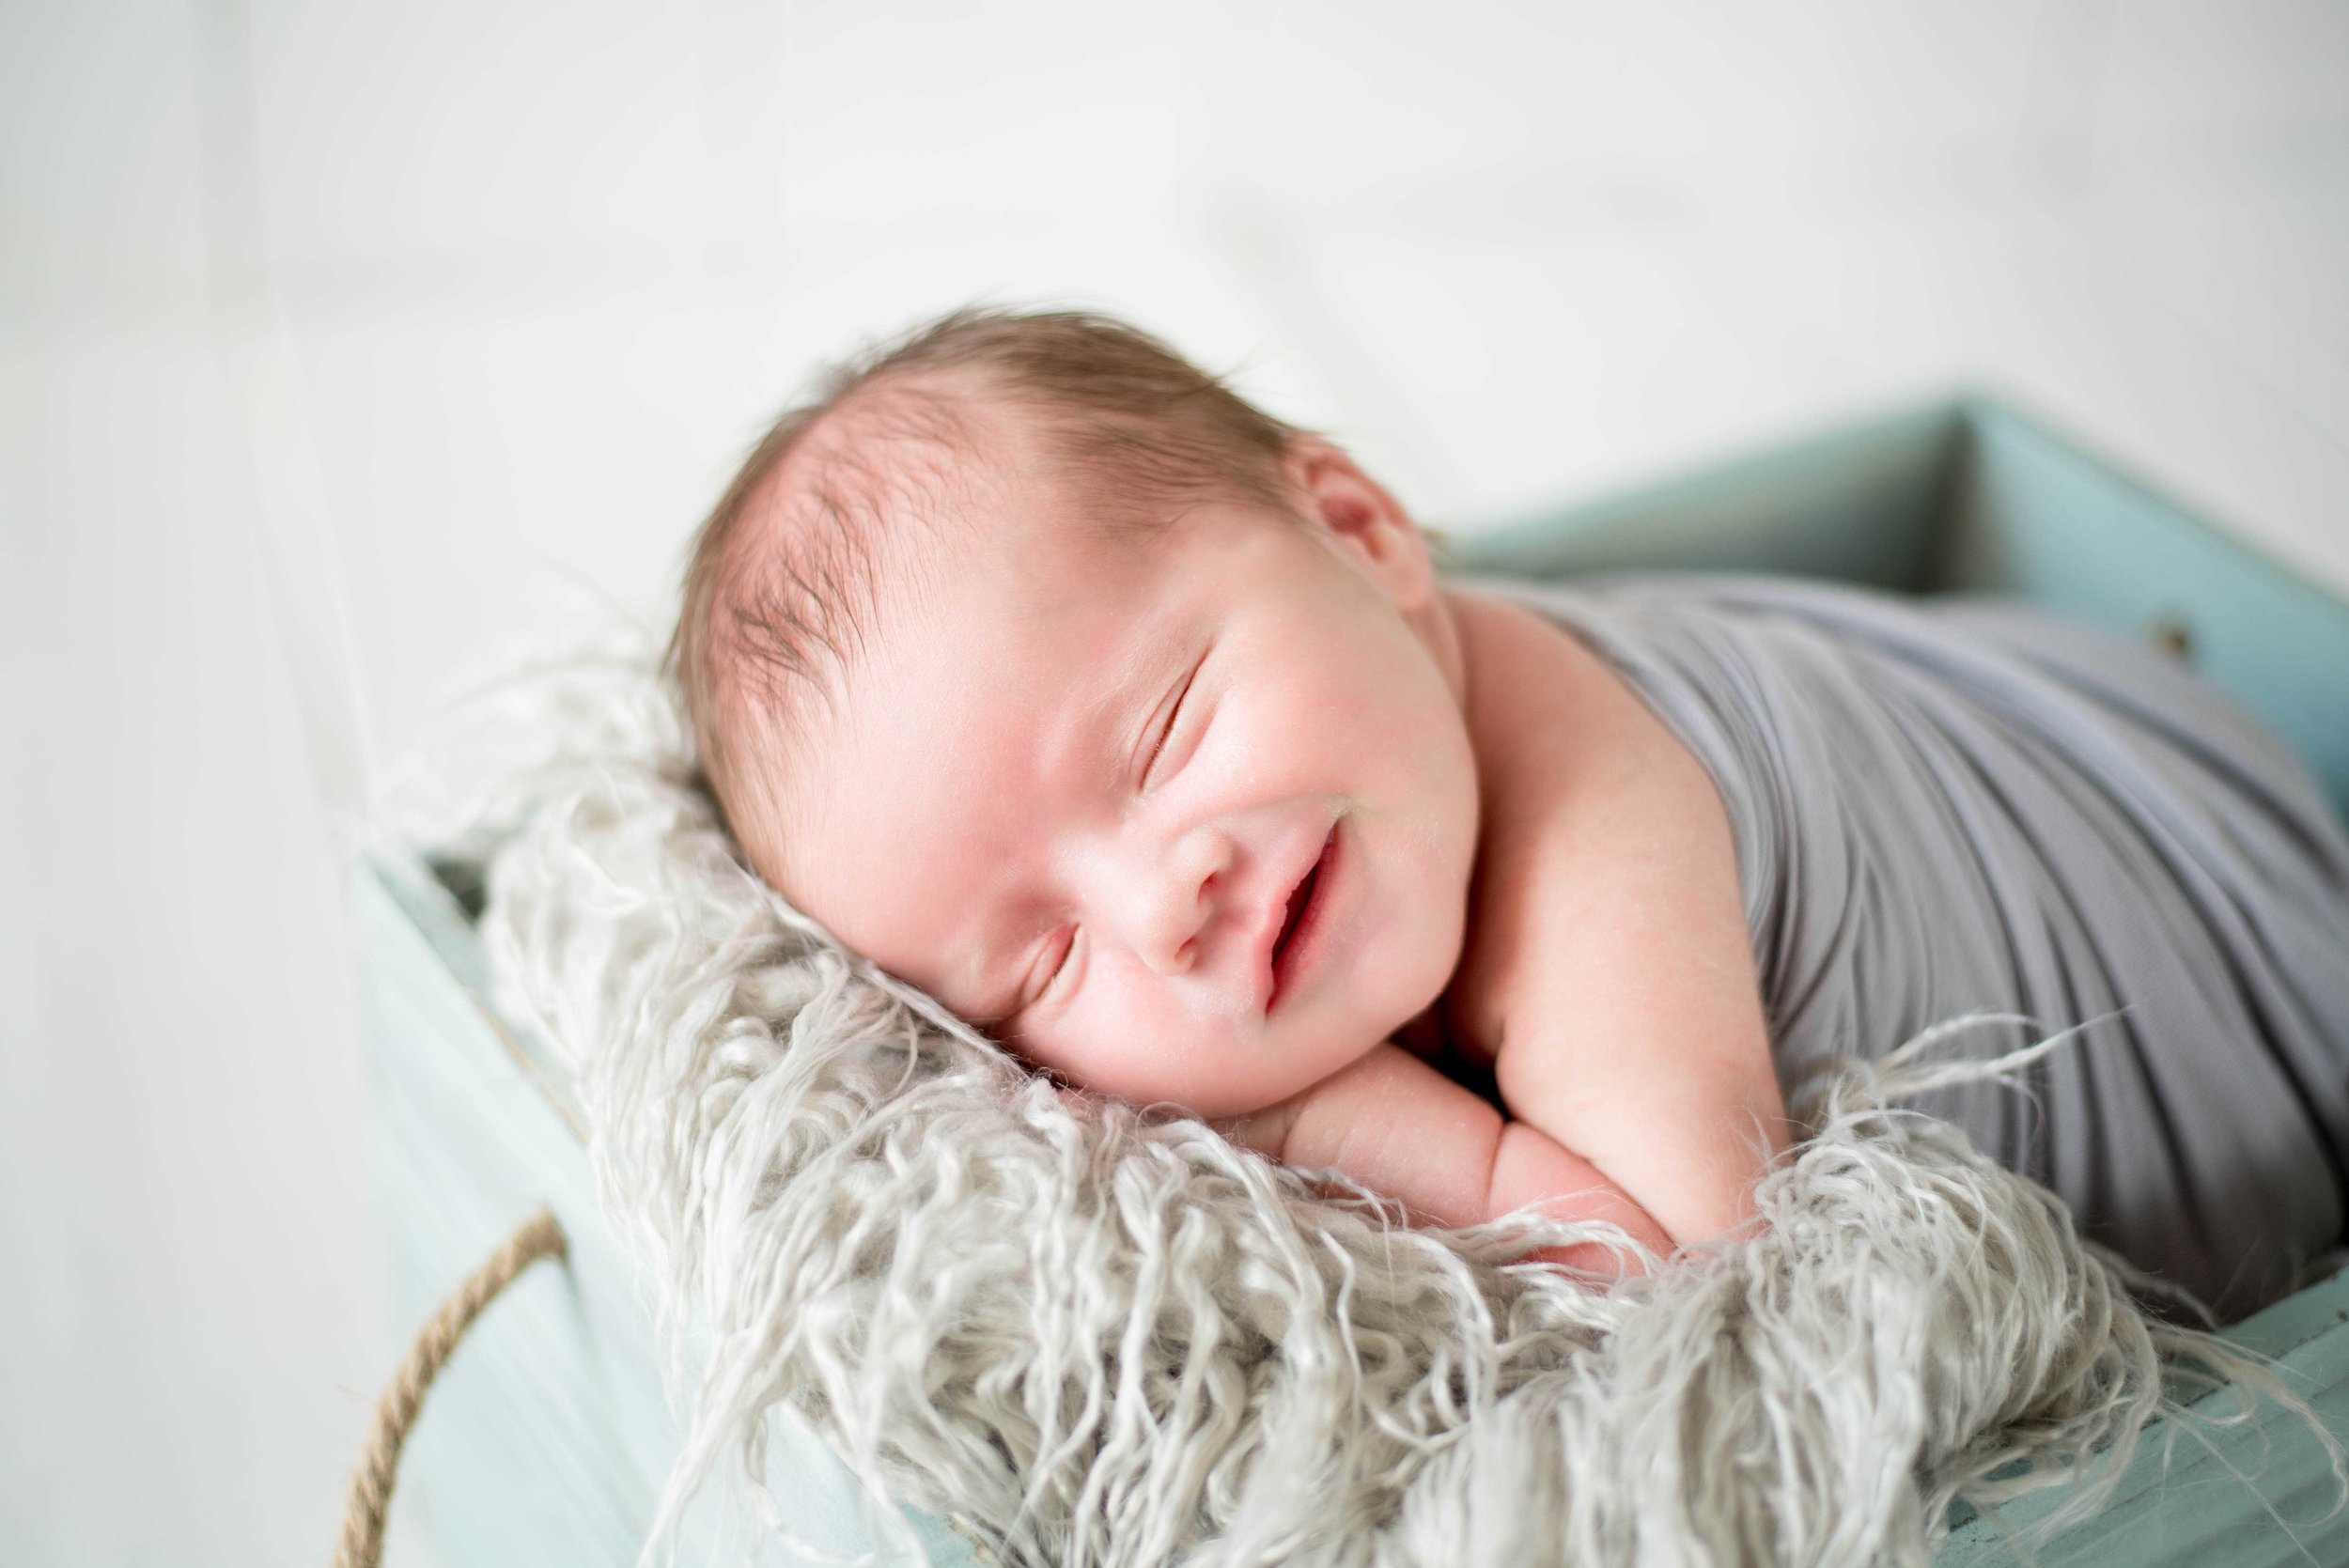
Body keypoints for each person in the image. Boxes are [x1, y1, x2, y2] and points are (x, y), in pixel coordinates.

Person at [666, 306, 2349, 1317]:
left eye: (1166, 730)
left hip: (2241, 987)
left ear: (1360, 526)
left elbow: (1698, 1279)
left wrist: (1326, 1126)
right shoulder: (1389, 722)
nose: (1159, 902)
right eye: (1042, 967)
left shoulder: (1594, 864)